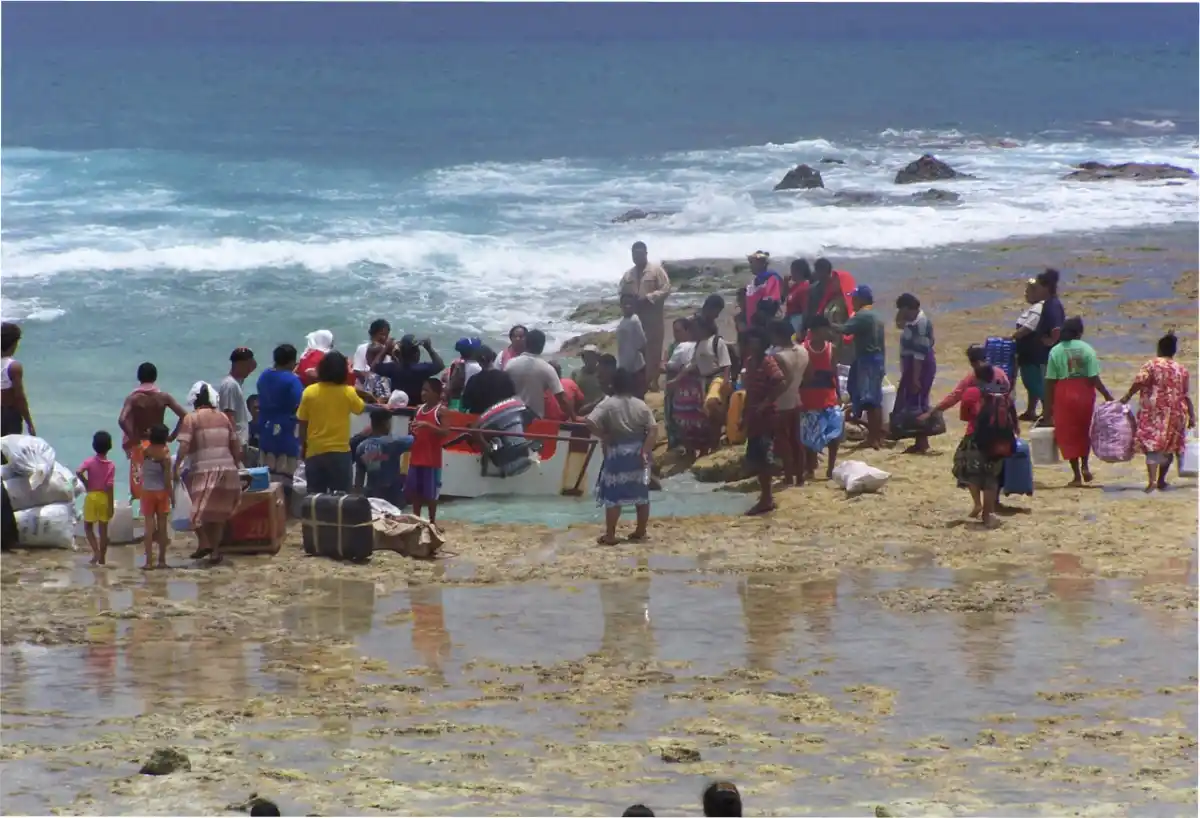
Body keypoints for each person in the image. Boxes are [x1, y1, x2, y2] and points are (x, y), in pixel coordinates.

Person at [173, 383, 242, 564]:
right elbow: (235, 444)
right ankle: (215, 551)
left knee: (193, 511)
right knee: (217, 514)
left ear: (195, 403)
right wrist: (236, 465)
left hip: (204, 470)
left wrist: (176, 466)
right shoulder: (224, 417)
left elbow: (184, 445)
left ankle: (204, 542)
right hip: (228, 470)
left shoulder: (191, 419)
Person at [586, 368, 657, 544]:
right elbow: (653, 429)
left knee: (613, 496)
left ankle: (610, 535)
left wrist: (603, 435)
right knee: (641, 495)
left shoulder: (608, 403)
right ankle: (640, 531)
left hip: (617, 453)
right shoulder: (640, 404)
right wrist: (646, 450)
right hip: (638, 452)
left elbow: (589, 421)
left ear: (613, 385)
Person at [1120, 331, 1195, 492]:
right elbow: (1185, 395)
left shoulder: (1152, 365)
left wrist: (1127, 397)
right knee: (1169, 447)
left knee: (1152, 445)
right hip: (1176, 413)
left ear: (1159, 349)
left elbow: (1139, 382)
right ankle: (1161, 480)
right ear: (1173, 351)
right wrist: (1193, 416)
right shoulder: (1181, 370)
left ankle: (1152, 481)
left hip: (1154, 412)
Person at [1043, 317, 1113, 486]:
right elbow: (1093, 377)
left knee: (1067, 433)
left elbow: (1050, 381)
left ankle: (1076, 475)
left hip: (1063, 393)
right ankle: (1085, 466)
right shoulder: (1087, 349)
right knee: (1084, 429)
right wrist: (1107, 395)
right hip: (1084, 393)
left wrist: (1047, 408)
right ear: (1079, 333)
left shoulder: (1056, 350)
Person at [946, 365, 1016, 528]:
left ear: (976, 377)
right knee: (991, 477)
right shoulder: (1003, 393)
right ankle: (988, 513)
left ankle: (977, 503)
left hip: (975, 437)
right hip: (999, 440)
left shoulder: (971, 392)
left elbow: (965, 416)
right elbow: (1012, 417)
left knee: (971, 472)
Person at [298, 350, 371, 494]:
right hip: (340, 453)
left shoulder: (309, 392)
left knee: (315, 497)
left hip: (315, 451)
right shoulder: (347, 392)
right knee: (342, 499)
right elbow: (361, 408)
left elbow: (302, 423)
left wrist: (303, 446)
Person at [118, 362, 188, 509]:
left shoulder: (134, 399)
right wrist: (173, 436)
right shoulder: (164, 397)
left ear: (139, 377)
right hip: (160, 444)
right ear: (155, 377)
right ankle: (163, 516)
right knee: (163, 483)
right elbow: (184, 416)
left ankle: (147, 522)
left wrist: (133, 438)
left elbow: (122, 419)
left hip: (141, 446)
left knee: (143, 487)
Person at [741, 328, 787, 515]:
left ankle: (767, 498)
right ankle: (765, 496)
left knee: (764, 458)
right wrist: (744, 416)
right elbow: (748, 392)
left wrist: (765, 403)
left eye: (755, 341)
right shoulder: (750, 363)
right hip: (754, 416)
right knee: (757, 458)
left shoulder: (768, 362)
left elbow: (781, 383)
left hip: (766, 416)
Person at [836, 284, 887, 449]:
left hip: (867, 360)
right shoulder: (876, 314)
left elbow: (845, 330)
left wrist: (826, 325)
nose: (852, 301)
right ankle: (877, 436)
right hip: (877, 359)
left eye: (854, 298)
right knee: (875, 400)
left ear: (861, 299)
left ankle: (873, 438)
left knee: (870, 401)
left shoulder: (862, 315)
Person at [618, 241, 671, 391]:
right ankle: (639, 382)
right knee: (635, 350)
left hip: (652, 319)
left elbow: (666, 288)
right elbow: (621, 292)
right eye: (634, 254)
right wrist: (628, 302)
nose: (637, 257)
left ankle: (653, 382)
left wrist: (649, 297)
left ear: (646, 254)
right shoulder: (628, 274)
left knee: (653, 350)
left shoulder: (656, 271)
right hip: (634, 319)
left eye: (640, 254)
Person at [799, 316, 843, 481]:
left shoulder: (832, 348)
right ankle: (810, 468)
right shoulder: (803, 349)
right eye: (825, 329)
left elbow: (834, 373)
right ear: (815, 331)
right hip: (809, 398)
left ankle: (830, 468)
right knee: (809, 437)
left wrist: (838, 393)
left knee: (834, 433)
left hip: (828, 397)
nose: (828, 332)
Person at [255, 344, 305, 480]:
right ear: (291, 361)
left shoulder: (264, 376)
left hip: (265, 429)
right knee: (286, 476)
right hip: (285, 432)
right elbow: (301, 404)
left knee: (267, 476)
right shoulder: (292, 380)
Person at [895, 293, 936, 454]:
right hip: (911, 366)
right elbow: (898, 324)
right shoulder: (910, 322)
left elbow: (919, 354)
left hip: (920, 367)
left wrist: (915, 378)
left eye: (901, 309)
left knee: (919, 403)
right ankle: (919, 440)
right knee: (912, 402)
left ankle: (922, 442)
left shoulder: (921, 323)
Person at [769, 319, 808, 486]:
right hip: (796, 398)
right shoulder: (803, 350)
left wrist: (767, 400)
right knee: (796, 440)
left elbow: (779, 382)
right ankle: (799, 476)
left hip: (781, 403)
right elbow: (809, 375)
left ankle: (788, 476)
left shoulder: (778, 356)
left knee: (783, 441)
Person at [408, 378, 449, 524]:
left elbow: (445, 432)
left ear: (437, 393)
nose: (423, 393)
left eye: (427, 390)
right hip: (416, 456)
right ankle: (416, 519)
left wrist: (427, 425)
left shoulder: (441, 410)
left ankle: (432, 521)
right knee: (414, 492)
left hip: (432, 459)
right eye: (422, 389)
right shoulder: (418, 409)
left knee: (431, 495)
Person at [354, 409, 414, 507]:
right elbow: (416, 440)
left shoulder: (361, 447)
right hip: (392, 496)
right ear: (386, 423)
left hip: (372, 496)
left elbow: (359, 479)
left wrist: (357, 500)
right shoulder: (394, 442)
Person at [691, 315, 733, 454]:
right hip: (704, 380)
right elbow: (695, 365)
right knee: (706, 416)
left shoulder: (716, 341)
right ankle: (713, 444)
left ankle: (727, 425)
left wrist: (726, 382)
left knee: (711, 404)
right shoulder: (697, 344)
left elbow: (726, 363)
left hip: (718, 377)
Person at [505, 329, 569, 419]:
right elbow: (562, 399)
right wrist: (574, 417)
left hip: (512, 415)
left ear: (525, 343)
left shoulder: (510, 364)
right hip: (534, 419)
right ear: (542, 346)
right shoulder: (547, 368)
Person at [370, 335, 445, 407]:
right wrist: (429, 348)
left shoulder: (394, 368)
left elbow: (374, 367)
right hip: (416, 409)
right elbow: (440, 365)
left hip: (397, 408)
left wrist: (386, 348)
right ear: (416, 354)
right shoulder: (422, 369)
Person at [77, 430, 116, 566]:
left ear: (94, 445)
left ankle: (96, 551)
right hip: (104, 497)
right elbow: (110, 487)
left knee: (88, 527)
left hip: (91, 496)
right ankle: (102, 558)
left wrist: (86, 483)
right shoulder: (111, 465)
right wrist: (111, 505)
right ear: (109, 446)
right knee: (103, 529)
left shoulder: (90, 461)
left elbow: (78, 471)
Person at [138, 423, 173, 570]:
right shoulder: (165, 454)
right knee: (163, 527)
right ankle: (162, 560)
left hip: (147, 491)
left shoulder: (145, 450)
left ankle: (148, 562)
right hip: (161, 492)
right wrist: (171, 495)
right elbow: (166, 478)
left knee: (149, 526)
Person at [1012, 277, 1047, 420]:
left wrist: (1013, 336)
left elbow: (1029, 327)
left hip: (1032, 352)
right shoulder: (1035, 307)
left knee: (1034, 382)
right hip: (1028, 352)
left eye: (1029, 291)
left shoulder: (1039, 308)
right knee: (1032, 383)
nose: (1026, 294)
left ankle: (1048, 411)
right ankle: (1031, 410)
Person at [663, 317, 695, 449]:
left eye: (678, 331)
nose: (676, 334)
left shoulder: (692, 346)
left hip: (684, 388)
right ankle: (673, 442)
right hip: (672, 386)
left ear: (687, 331)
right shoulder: (672, 346)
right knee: (670, 414)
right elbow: (663, 362)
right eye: (674, 331)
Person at [461, 345, 517, 414]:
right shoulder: (505, 377)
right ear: (492, 357)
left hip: (478, 418)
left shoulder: (473, 380)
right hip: (498, 417)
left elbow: (466, 404)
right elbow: (511, 398)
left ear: (478, 361)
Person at [218, 347, 257, 448]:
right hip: (237, 442)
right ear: (238, 364)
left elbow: (254, 365)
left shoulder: (236, 383)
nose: (250, 369)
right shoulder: (230, 385)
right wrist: (235, 444)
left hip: (240, 441)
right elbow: (228, 416)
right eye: (247, 365)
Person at [1, 322, 34, 437]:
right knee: (9, 451)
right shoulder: (13, 367)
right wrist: (29, 422)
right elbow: (19, 397)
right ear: (14, 343)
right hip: (9, 415)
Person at [616, 292, 648, 397]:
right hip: (625, 366)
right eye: (625, 303)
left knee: (635, 397)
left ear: (634, 305)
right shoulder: (622, 321)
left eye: (630, 303)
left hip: (635, 367)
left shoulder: (635, 320)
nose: (627, 306)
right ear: (620, 305)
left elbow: (642, 343)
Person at [352, 318, 393, 397]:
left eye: (387, 335)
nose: (384, 338)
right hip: (365, 391)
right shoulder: (362, 348)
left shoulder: (389, 351)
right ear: (372, 334)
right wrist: (374, 384)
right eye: (381, 334)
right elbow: (357, 371)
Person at [744, 251, 784, 332]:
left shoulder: (771, 279)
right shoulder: (755, 281)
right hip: (752, 325)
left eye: (753, 262)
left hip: (764, 326)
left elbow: (771, 302)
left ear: (762, 264)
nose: (750, 265)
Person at [445, 337, 483, 404]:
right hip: (469, 402)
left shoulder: (455, 363)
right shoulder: (477, 367)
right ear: (474, 351)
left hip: (455, 401)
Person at [572, 345, 606, 412]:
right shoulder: (575, 373)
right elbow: (571, 393)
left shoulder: (604, 374)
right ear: (583, 358)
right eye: (586, 357)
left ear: (598, 358)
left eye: (592, 357)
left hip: (600, 411)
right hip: (581, 411)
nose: (589, 359)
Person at [784, 258, 813, 334]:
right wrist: (785, 283)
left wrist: (802, 328)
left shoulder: (804, 287)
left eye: (792, 270)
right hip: (790, 319)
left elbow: (805, 309)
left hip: (797, 321)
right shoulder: (795, 286)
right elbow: (786, 296)